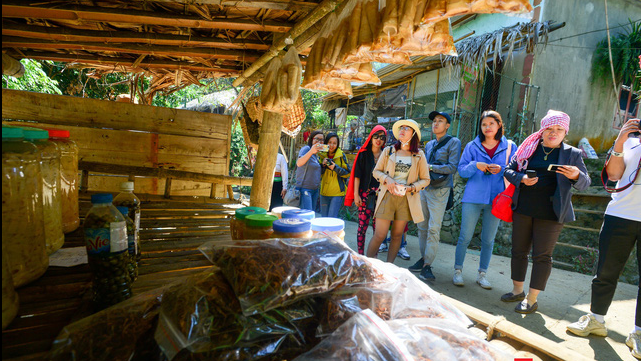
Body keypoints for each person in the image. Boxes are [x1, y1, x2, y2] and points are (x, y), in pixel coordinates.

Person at [501, 110, 590, 314]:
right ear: (542, 130)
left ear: (565, 131)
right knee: (518, 251)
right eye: (549, 128)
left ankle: (532, 299)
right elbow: (508, 169)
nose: (553, 132)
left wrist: (576, 175)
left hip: (552, 214)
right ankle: (517, 291)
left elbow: (585, 184)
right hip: (523, 208)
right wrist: (521, 178)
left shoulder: (573, 154)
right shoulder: (528, 148)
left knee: (542, 256)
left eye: (559, 129)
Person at [567, 118, 640, 359]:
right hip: (621, 214)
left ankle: (638, 333)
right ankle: (596, 320)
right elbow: (614, 174)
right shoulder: (630, 142)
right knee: (605, 271)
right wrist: (620, 141)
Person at [454, 110, 517, 289]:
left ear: (499, 125)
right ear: (480, 127)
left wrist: (502, 168)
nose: (487, 127)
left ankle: (482, 274)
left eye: (491, 123)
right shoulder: (472, 146)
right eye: (484, 124)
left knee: (488, 240)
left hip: (497, 199)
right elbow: (462, 171)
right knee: (464, 237)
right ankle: (457, 271)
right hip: (473, 197)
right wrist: (477, 165)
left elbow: (517, 169)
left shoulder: (510, 146)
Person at [367, 119, 430, 262]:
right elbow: (376, 172)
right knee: (380, 235)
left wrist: (410, 188)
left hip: (406, 199)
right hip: (386, 196)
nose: (402, 130)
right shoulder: (389, 150)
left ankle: (389, 269)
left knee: (397, 235)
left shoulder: (419, 155)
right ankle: (366, 267)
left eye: (407, 128)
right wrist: (387, 180)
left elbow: (426, 180)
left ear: (413, 134)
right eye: (401, 127)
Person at [409, 111, 461, 282]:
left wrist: (430, 167)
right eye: (434, 121)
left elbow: (452, 167)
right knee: (422, 226)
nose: (436, 123)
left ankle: (427, 265)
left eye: (440, 121)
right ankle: (424, 259)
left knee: (433, 228)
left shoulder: (454, 142)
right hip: (425, 188)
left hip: (441, 190)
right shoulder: (429, 144)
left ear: (447, 126)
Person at [345, 125, 388, 255]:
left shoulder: (386, 155)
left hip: (380, 197)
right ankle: (360, 255)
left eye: (382, 137)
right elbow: (357, 175)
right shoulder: (363, 154)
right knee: (362, 227)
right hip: (364, 194)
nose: (378, 140)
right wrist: (356, 194)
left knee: (378, 229)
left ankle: (373, 255)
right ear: (371, 137)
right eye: (376, 136)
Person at [319, 132, 351, 218]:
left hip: (337, 193)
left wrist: (335, 168)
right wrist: (323, 165)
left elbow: (348, 173)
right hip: (324, 192)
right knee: (323, 219)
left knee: (331, 219)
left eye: (334, 143)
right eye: (329, 142)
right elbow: (317, 174)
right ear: (326, 143)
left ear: (338, 144)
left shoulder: (341, 155)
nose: (332, 145)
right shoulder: (321, 155)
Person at [295, 130, 324, 212]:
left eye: (322, 140)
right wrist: (311, 151)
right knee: (307, 216)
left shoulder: (316, 155)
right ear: (311, 139)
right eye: (317, 139)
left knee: (310, 214)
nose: (319, 141)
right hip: (305, 189)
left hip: (315, 190)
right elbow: (299, 163)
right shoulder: (306, 149)